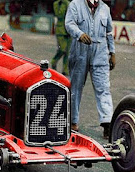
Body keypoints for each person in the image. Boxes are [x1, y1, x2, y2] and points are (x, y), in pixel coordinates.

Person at [65, 0, 116, 139]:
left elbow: (109, 32)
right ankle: (73, 121)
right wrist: (79, 34)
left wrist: (112, 52)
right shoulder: (75, 4)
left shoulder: (105, 8)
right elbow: (69, 23)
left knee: (103, 87)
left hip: (100, 53)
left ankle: (107, 123)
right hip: (80, 51)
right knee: (76, 87)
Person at [51, 0, 71, 76]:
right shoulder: (57, 3)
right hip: (60, 30)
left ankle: (65, 70)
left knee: (68, 52)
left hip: (69, 29)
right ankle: (54, 61)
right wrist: (63, 4)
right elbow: (59, 14)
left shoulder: (70, 3)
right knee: (62, 49)